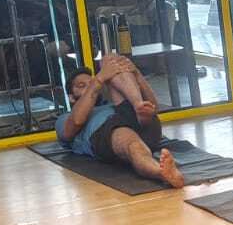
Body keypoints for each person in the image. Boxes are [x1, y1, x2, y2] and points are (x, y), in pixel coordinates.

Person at [56, 54, 184, 188]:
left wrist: (137, 74)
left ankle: (138, 106)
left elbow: (154, 108)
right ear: (71, 97)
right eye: (82, 85)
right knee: (134, 145)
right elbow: (75, 123)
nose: (89, 86)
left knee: (109, 60)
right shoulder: (65, 118)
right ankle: (162, 172)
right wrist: (98, 80)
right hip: (109, 129)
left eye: (91, 82)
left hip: (140, 121)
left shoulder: (111, 103)